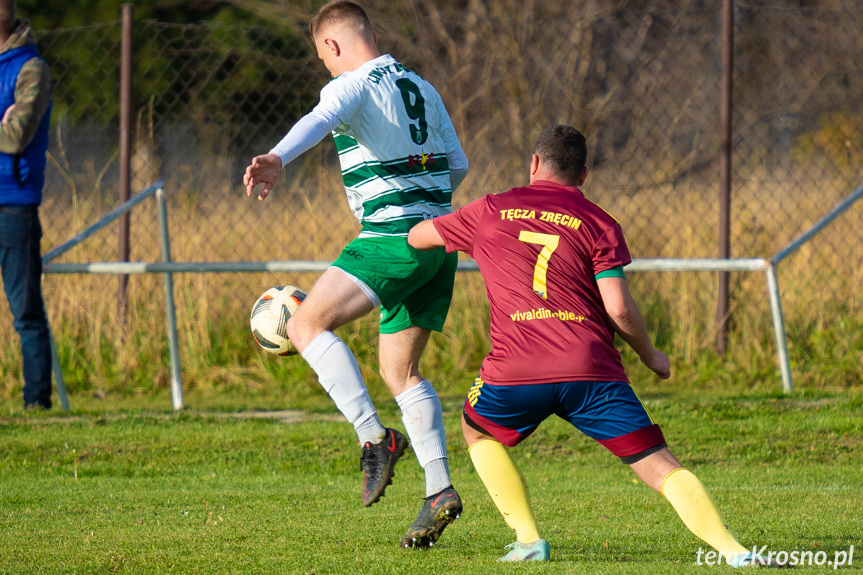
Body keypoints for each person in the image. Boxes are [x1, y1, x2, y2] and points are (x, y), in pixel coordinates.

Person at [408, 125, 770, 566]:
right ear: (583, 175)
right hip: (591, 369)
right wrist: (651, 356)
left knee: (476, 428)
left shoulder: (490, 210)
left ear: (534, 164)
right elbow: (617, 308)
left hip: (514, 371)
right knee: (657, 463)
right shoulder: (599, 222)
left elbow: (419, 237)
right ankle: (735, 553)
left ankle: (528, 540)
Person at [243, 1, 468, 548]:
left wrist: (276, 157)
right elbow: (458, 164)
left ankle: (374, 440)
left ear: (334, 46)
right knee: (401, 372)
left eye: (322, 55)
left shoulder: (354, 82)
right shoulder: (422, 86)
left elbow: (319, 120)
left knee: (304, 326)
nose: (324, 65)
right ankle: (438, 489)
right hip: (439, 242)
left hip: (392, 238)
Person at [0, 0, 53, 411]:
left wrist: (9, 121)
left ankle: (36, 401)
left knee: (25, 311)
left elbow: (16, 138)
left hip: (12, 205)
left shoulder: (31, 68)